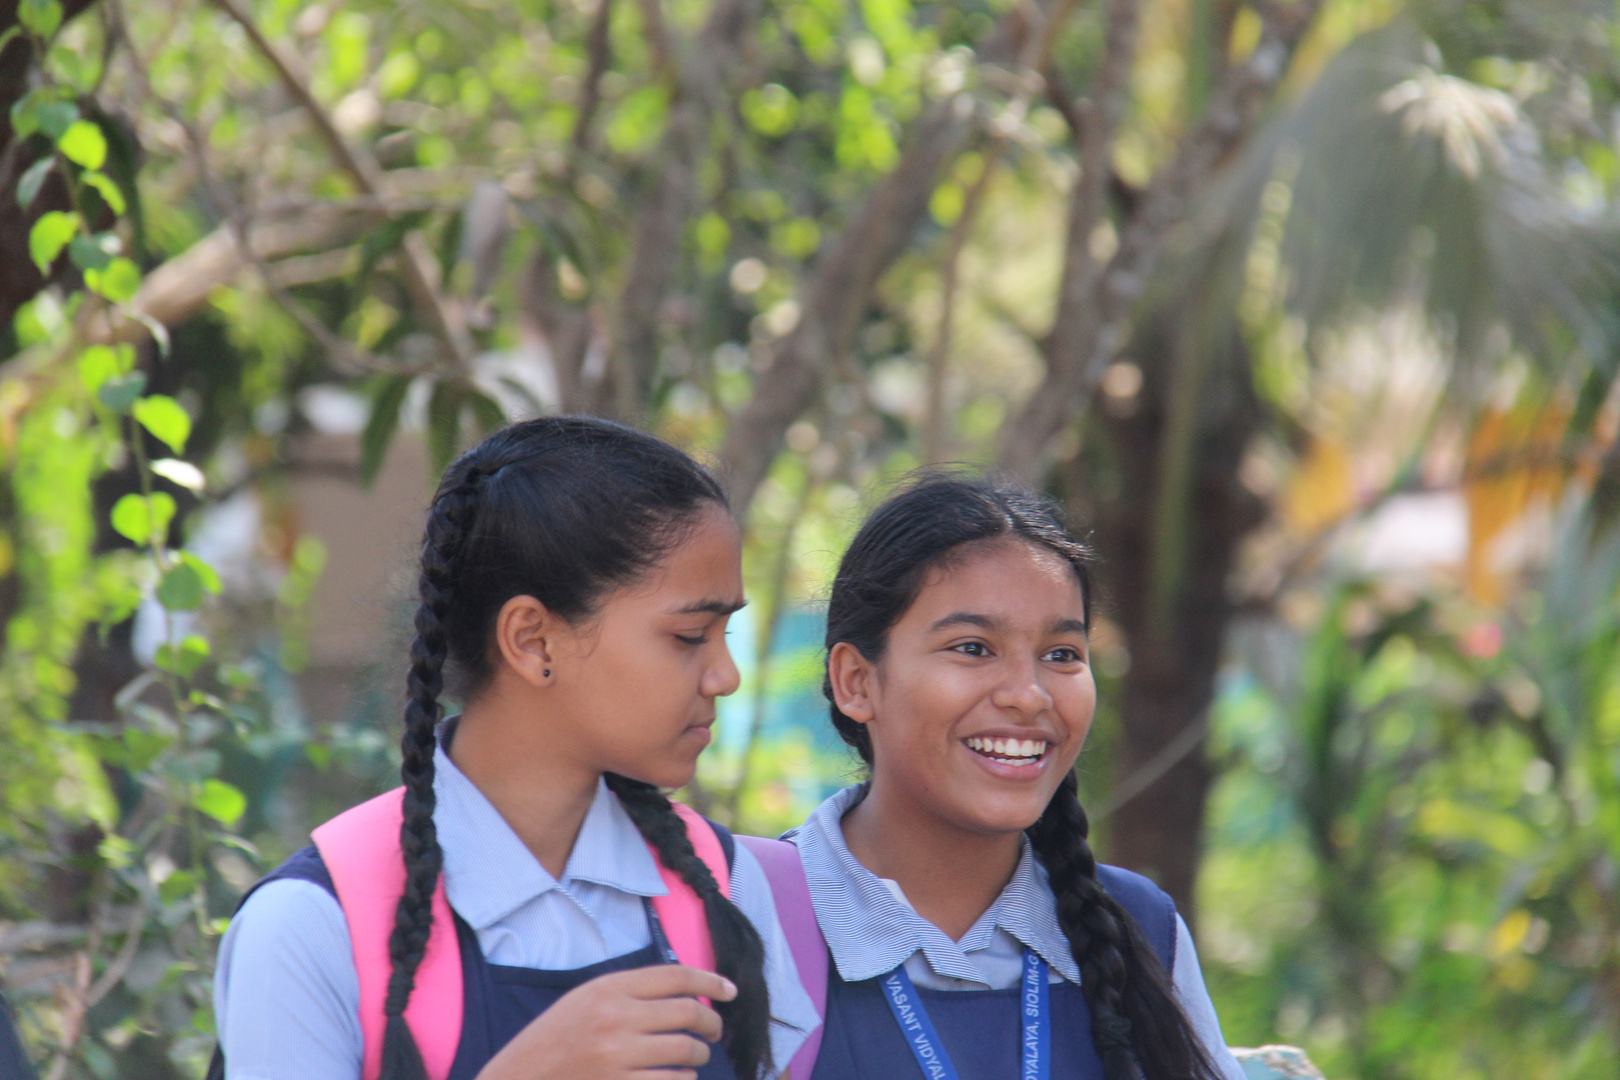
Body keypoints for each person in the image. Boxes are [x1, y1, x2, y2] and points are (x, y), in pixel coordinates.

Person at [212, 417, 816, 1080]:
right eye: (690, 636)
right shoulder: (310, 923)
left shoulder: (722, 884)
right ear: (531, 640)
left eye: (726, 632)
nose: (725, 676)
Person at [781, 474, 1245, 1080]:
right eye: (973, 648)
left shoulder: (1139, 930)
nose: (1029, 697)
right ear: (856, 682)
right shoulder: (749, 922)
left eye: (1061, 654)